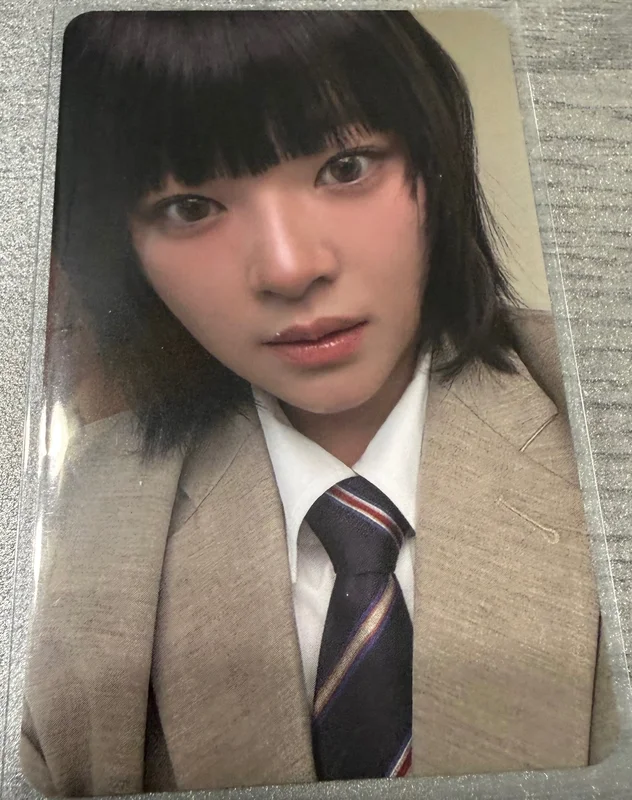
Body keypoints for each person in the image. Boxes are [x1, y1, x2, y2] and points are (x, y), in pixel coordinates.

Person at [21, 10, 613, 797]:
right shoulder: (72, 525)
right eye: (189, 206)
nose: (290, 268)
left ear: (437, 159)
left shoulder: (597, 404)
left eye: (345, 167)